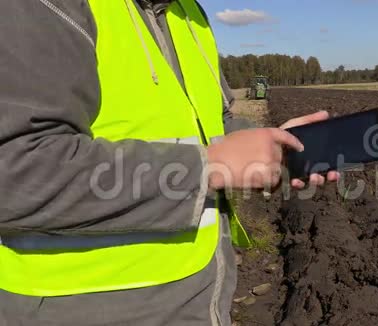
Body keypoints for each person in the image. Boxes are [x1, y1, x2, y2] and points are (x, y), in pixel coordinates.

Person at [0, 1, 338, 325]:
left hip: (196, 299)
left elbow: (209, 124)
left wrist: (271, 143)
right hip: (81, 310)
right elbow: (15, 170)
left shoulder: (190, 14)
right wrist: (209, 167)